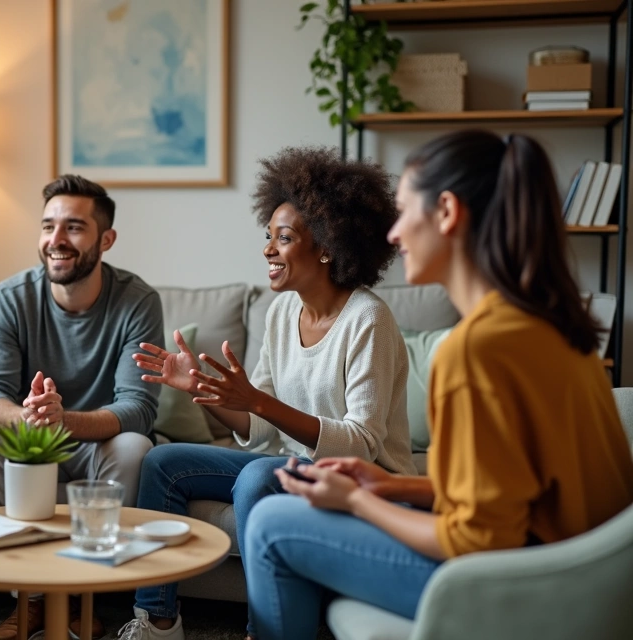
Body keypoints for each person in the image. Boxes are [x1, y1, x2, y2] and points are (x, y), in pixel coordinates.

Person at [245, 130, 633, 640]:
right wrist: (388, 485)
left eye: (405, 212)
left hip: (525, 588)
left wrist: (359, 503)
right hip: (592, 583)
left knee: (271, 524)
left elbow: (475, 539)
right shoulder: (551, 326)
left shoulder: (474, 351)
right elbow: (511, 492)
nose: (394, 233)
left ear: (447, 211)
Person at [119, 147, 417, 640]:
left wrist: (259, 402)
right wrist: (205, 390)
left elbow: (362, 443)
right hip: (291, 464)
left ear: (326, 247)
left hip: (362, 477)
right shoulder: (281, 314)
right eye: (268, 237)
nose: (268, 251)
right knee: (162, 461)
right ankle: (158, 621)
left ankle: (263, 629)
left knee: (260, 475)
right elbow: (258, 427)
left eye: (284, 238)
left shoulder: (368, 319)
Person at [0, 174, 164, 639]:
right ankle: (26, 594)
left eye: (74, 227)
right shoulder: (10, 298)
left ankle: (79, 591)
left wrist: (61, 420)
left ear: (106, 240)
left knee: (134, 447)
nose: (56, 240)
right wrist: (30, 417)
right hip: (32, 440)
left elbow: (138, 408)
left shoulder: (137, 301)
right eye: (48, 226)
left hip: (97, 443)